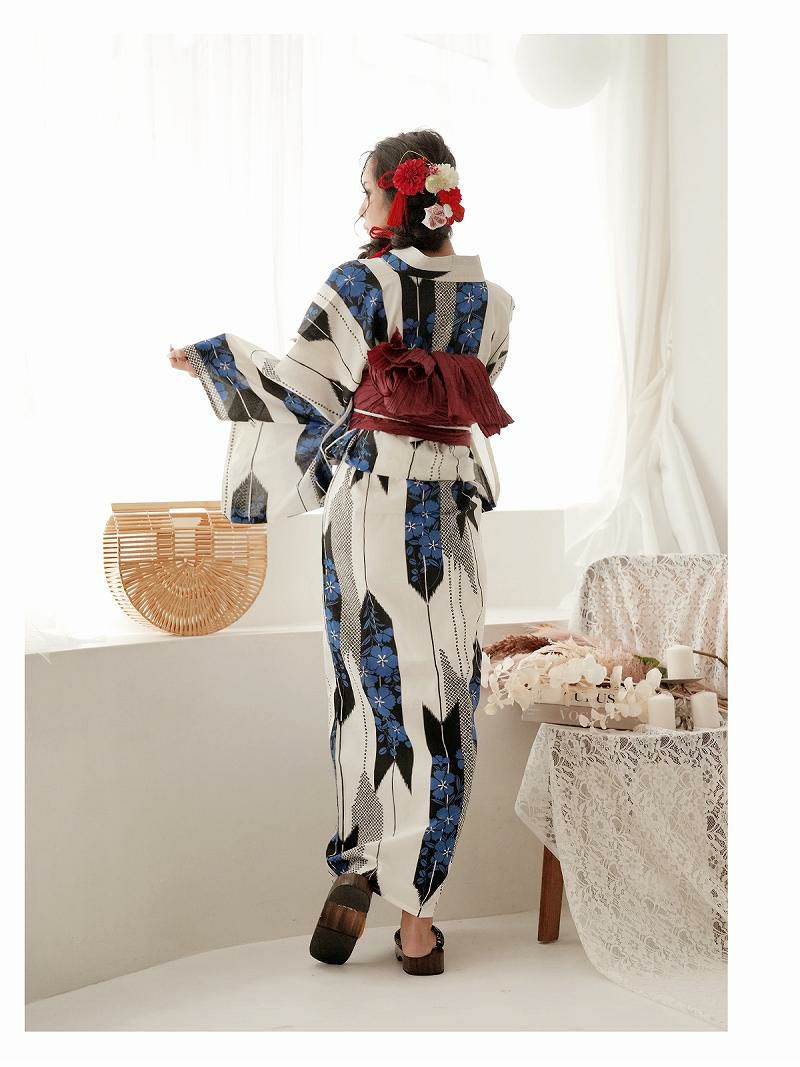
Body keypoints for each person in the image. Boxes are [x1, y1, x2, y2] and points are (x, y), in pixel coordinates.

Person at [169, 129, 515, 976]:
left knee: (368, 691)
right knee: (448, 703)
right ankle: (419, 922)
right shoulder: (496, 303)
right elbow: (472, 396)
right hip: (450, 516)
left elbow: (306, 390)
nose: (359, 209)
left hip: (372, 510)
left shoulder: (358, 284)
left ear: (398, 197)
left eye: (366, 191)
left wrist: (216, 363)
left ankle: (358, 861)